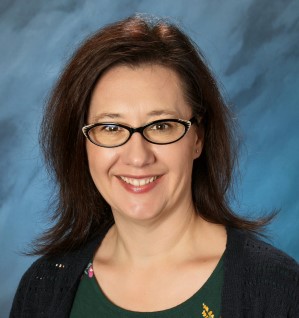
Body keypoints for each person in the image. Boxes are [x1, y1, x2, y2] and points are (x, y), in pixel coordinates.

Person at [10, 15, 299, 318]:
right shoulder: (42, 288)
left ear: (198, 137)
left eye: (162, 126)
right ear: (83, 144)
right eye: (111, 128)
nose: (137, 157)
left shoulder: (278, 291)